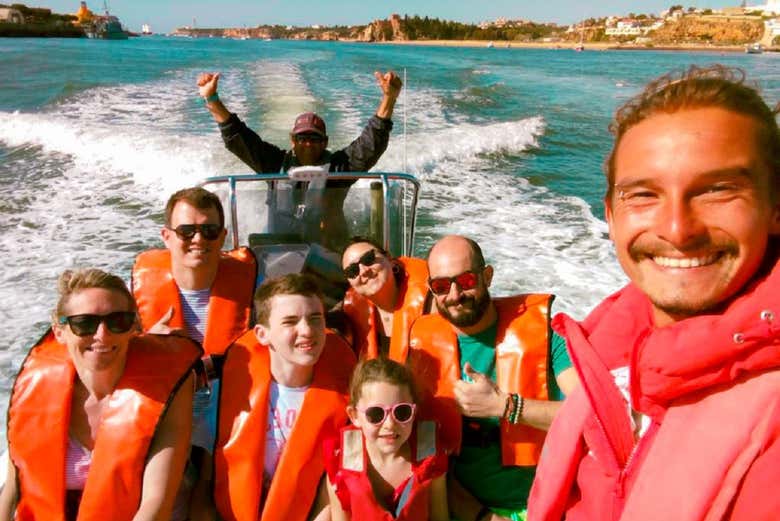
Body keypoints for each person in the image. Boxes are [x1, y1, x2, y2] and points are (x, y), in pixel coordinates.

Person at [527, 65, 780, 521]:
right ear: (610, 215)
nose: (678, 230)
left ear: (775, 208)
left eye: (718, 190)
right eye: (643, 195)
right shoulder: (603, 347)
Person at [0, 268, 199, 521]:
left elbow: (155, 504)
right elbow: (12, 489)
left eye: (118, 322)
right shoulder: (33, 387)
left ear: (133, 328)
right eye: (84, 324)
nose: (102, 335)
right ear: (59, 331)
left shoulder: (168, 389)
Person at [407, 235, 579, 521]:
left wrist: (506, 406)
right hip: (465, 510)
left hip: (549, 504)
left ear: (487, 276)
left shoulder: (547, 335)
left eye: (465, 281)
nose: (454, 295)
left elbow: (591, 416)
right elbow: (423, 454)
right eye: (440, 286)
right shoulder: (420, 348)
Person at [131, 186, 257, 518]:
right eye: (187, 230)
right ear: (167, 236)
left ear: (223, 236)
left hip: (231, 419)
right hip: (166, 424)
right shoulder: (128, 306)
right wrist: (141, 346)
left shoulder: (257, 292)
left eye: (209, 230)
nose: (198, 239)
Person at [195, 274, 356, 521]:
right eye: (290, 321)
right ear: (262, 334)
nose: (307, 331)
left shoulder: (348, 401)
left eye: (315, 319)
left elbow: (332, 494)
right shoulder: (224, 393)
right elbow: (204, 489)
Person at [196, 70, 402, 174]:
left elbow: (371, 143)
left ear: (326, 142)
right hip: (279, 250)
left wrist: (389, 98)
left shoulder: (339, 168)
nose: (308, 143)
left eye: (315, 138)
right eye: (302, 138)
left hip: (328, 248)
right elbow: (238, 137)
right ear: (292, 140)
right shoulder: (275, 164)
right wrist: (212, 99)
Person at [324, 357, 449, 521]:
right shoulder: (340, 466)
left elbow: (440, 517)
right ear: (354, 416)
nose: (390, 424)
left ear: (414, 411)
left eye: (402, 412)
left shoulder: (430, 459)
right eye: (375, 414)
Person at [340, 237, 430, 360]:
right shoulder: (348, 321)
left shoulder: (432, 301)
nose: (363, 271)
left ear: (389, 259)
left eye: (368, 259)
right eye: (352, 271)